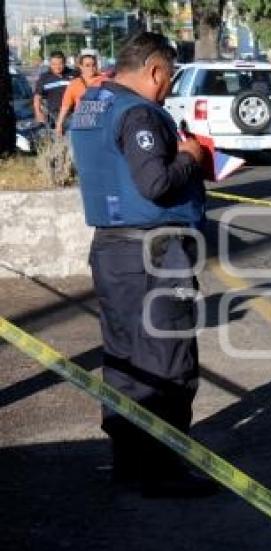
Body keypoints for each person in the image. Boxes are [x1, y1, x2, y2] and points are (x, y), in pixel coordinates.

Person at [69, 32, 214, 497]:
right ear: (155, 70)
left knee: (126, 360)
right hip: (154, 254)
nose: (168, 87)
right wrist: (191, 157)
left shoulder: (93, 104)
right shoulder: (138, 112)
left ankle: (129, 462)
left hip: (113, 250)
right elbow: (155, 182)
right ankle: (164, 470)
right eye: (169, 77)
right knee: (169, 363)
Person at [56, 53, 107, 136]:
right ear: (81, 67)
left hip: (101, 123)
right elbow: (65, 106)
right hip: (82, 124)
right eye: (87, 65)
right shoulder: (74, 83)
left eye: (93, 65)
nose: (91, 68)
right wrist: (59, 124)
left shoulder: (105, 80)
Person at [33, 51, 78, 127]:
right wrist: (38, 112)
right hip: (54, 116)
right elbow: (37, 97)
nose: (57, 67)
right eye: (54, 64)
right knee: (58, 137)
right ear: (50, 64)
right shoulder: (44, 77)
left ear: (65, 62)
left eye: (60, 63)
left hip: (73, 114)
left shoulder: (74, 74)